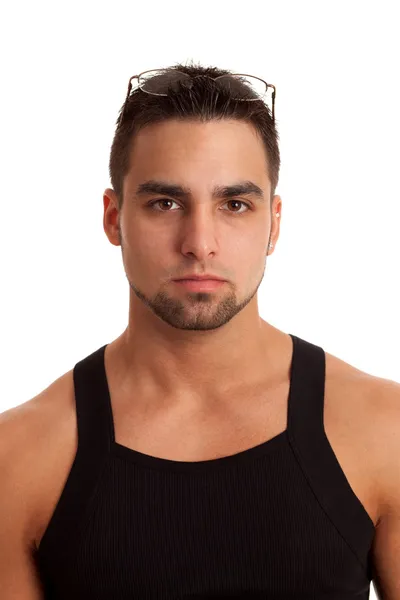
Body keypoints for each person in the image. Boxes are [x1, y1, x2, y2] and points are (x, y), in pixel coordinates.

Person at [1, 62, 399, 600]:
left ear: (273, 224)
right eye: (165, 203)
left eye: (234, 204)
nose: (199, 242)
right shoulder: (18, 458)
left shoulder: (383, 430)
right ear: (113, 217)